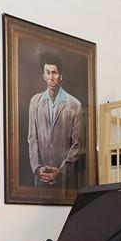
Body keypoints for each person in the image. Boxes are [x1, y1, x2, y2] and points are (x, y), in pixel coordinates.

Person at [27, 52, 84, 190]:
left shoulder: (75, 105)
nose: (51, 77)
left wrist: (61, 170)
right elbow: (32, 139)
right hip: (41, 178)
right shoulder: (35, 102)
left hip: (65, 180)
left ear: (60, 76)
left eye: (54, 73)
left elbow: (77, 145)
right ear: (44, 76)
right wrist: (37, 168)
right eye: (48, 73)